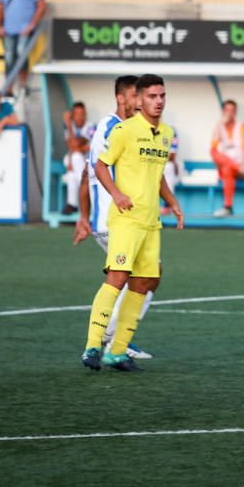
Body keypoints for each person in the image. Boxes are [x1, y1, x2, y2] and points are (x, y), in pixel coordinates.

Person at [79, 74, 183, 373]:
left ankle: (118, 351)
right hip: (125, 220)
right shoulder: (124, 130)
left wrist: (173, 203)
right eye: (152, 96)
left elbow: (158, 173)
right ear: (139, 99)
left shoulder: (166, 133)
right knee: (117, 277)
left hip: (151, 223)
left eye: (162, 95)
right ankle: (93, 345)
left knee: (143, 283)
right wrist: (116, 193)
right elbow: (99, 165)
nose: (159, 101)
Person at [73, 75, 154, 361]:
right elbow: (97, 169)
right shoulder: (117, 128)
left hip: (113, 219)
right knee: (137, 278)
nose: (141, 102)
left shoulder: (107, 127)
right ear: (122, 98)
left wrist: (83, 216)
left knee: (144, 278)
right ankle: (110, 340)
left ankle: (113, 340)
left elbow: (86, 175)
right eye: (136, 96)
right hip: (117, 219)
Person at [0, 0, 46, 95]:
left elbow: (41, 6)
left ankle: (23, 86)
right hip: (8, 30)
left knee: (21, 56)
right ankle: (9, 88)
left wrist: (32, 25)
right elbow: (0, 7)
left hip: (24, 30)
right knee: (8, 58)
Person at [210, 99, 244, 217]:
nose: (229, 113)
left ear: (235, 112)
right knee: (218, 158)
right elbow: (213, 147)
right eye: (227, 110)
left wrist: (243, 164)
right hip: (232, 167)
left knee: (226, 168)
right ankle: (228, 207)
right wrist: (219, 123)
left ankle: (227, 206)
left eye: (232, 110)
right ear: (223, 111)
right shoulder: (220, 127)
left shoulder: (242, 126)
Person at [62, 102, 96, 214]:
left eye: (82, 114)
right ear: (73, 115)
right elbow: (71, 146)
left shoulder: (91, 126)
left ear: (85, 114)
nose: (80, 117)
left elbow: (75, 144)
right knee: (73, 161)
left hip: (90, 162)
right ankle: (80, 202)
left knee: (72, 173)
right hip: (75, 160)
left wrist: (68, 125)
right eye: (76, 114)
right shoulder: (69, 126)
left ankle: (74, 203)